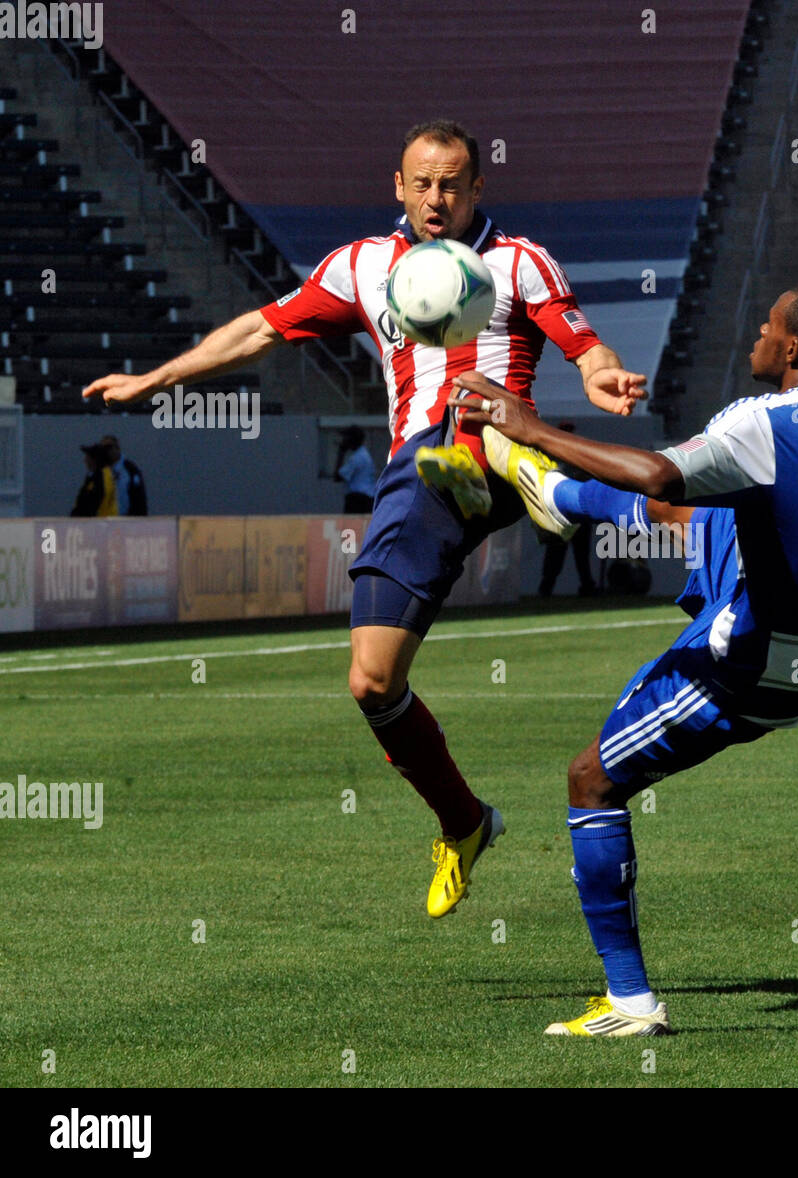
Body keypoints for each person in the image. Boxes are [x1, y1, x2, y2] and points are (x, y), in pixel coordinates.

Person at [82, 118, 645, 915]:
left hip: (493, 432)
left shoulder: (519, 263)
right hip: (416, 482)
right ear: (398, 186)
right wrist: (158, 378)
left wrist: (604, 377)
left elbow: (586, 348)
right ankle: (466, 821)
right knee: (372, 681)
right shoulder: (363, 266)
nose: (436, 198)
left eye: (452, 183)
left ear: (478, 187)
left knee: (469, 419)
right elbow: (259, 328)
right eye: (422, 183)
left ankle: (540, 479)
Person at [457, 284, 798, 1036]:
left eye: (766, 327)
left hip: (753, 664)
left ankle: (630, 1004)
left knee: (591, 779)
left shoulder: (761, 423)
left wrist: (528, 426)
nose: (757, 338)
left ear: (792, 350)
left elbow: (658, 473)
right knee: (704, 507)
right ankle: (563, 499)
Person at [536, 422, 597, 597]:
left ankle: (586, 585)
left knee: (581, 553)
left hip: (578, 510)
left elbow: (588, 475)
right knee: (556, 552)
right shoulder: (552, 453)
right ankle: (546, 587)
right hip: (559, 510)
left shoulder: (579, 453)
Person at [100, 435, 148, 516]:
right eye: (103, 449)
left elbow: (139, 498)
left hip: (127, 520)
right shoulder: (101, 471)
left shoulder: (130, 469)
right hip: (106, 522)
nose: (107, 451)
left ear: (117, 448)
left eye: (109, 447)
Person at [334, 425, 376, 513]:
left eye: (346, 437)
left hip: (357, 499)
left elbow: (337, 477)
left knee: (351, 525)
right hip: (367, 498)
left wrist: (341, 453)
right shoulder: (364, 454)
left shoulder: (357, 458)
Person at [70, 442, 116, 517]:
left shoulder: (101, 477)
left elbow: (96, 502)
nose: (85, 460)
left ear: (94, 459)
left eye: (87, 457)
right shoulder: (99, 475)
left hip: (99, 524)